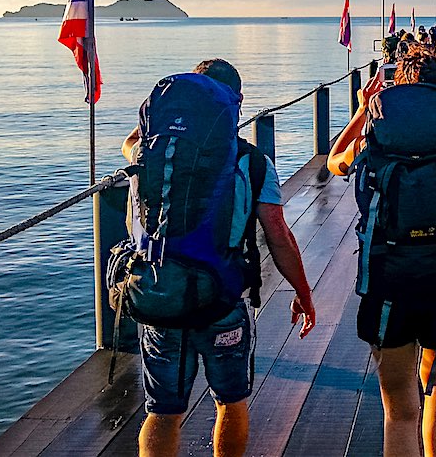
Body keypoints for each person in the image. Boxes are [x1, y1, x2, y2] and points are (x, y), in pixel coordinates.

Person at [122, 59, 316, 457]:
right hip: (221, 301)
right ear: (236, 103)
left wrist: (168, 117)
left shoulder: (147, 155)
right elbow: (277, 236)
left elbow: (130, 143)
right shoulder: (254, 164)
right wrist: (303, 292)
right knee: (230, 401)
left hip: (161, 295)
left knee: (162, 412)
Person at [327, 46, 436, 457]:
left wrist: (362, 112)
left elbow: (332, 163)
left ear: (398, 84)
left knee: (398, 408)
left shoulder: (373, 142)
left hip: (388, 279)